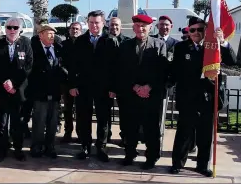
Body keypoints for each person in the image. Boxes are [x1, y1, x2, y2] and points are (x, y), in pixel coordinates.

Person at [169, 17, 237, 177]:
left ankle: (202, 165)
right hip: (187, 97)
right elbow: (175, 71)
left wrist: (223, 42)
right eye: (193, 30)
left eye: (200, 29)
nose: (196, 33)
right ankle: (177, 163)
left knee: (205, 135)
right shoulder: (181, 48)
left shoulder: (213, 46)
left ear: (206, 30)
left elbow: (232, 61)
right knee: (184, 133)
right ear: (188, 31)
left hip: (208, 97)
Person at [116, 14, 168, 170]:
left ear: (150, 28)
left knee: (151, 128)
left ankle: (151, 157)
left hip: (151, 95)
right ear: (133, 28)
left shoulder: (159, 45)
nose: (140, 29)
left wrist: (148, 87)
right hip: (131, 94)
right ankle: (130, 154)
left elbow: (163, 71)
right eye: (137, 26)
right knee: (129, 126)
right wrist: (135, 87)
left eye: (144, 26)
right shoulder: (125, 46)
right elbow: (121, 71)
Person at [69, 10, 119, 162]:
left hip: (104, 88)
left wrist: (113, 88)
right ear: (87, 23)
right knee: (84, 118)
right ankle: (85, 147)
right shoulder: (80, 41)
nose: (94, 25)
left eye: (97, 22)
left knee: (103, 119)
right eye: (91, 22)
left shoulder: (111, 41)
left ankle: (101, 147)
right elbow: (73, 66)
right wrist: (72, 85)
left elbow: (116, 68)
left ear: (103, 23)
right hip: (83, 87)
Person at [0, 18, 33, 162]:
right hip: (3, 91)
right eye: (9, 27)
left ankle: (18, 149)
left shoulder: (26, 43)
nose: (12, 30)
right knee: (2, 124)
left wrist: (14, 84)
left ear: (19, 29)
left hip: (18, 91)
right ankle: (2, 150)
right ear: (5, 29)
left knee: (18, 123)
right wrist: (4, 83)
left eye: (15, 27)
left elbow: (28, 66)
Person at [28, 24, 66, 158]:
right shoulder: (34, 50)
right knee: (39, 122)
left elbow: (62, 67)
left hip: (55, 93)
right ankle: (36, 147)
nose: (52, 36)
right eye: (49, 33)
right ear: (41, 35)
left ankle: (50, 147)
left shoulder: (59, 49)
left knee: (52, 122)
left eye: (53, 33)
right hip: (40, 93)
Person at [107, 17, 130, 146]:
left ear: (121, 27)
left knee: (125, 113)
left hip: (123, 84)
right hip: (107, 83)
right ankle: (106, 136)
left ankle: (125, 137)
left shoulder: (127, 42)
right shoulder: (104, 41)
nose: (114, 27)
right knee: (105, 113)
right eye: (111, 25)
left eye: (116, 25)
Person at [60, 22, 82, 143]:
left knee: (80, 110)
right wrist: (69, 75)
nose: (75, 30)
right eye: (73, 28)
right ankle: (67, 133)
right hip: (67, 82)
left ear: (81, 30)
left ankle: (80, 133)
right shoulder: (63, 45)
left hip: (80, 82)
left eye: (77, 29)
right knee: (67, 109)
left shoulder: (84, 44)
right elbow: (61, 63)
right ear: (69, 30)